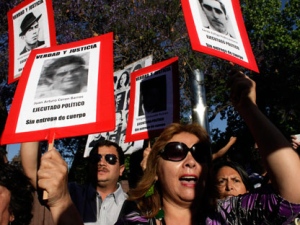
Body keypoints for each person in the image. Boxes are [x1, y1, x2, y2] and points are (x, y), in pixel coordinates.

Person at [115, 71, 300, 224]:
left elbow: (293, 192)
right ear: (155, 169)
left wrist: (248, 107)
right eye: (176, 152)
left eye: (200, 153)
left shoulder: (228, 214)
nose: (190, 162)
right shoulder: (134, 219)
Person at [21, 140, 127, 225]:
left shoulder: (135, 205)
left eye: (110, 158)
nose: (101, 163)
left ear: (121, 169)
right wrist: (33, 120)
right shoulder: (69, 193)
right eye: (96, 158)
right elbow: (32, 173)